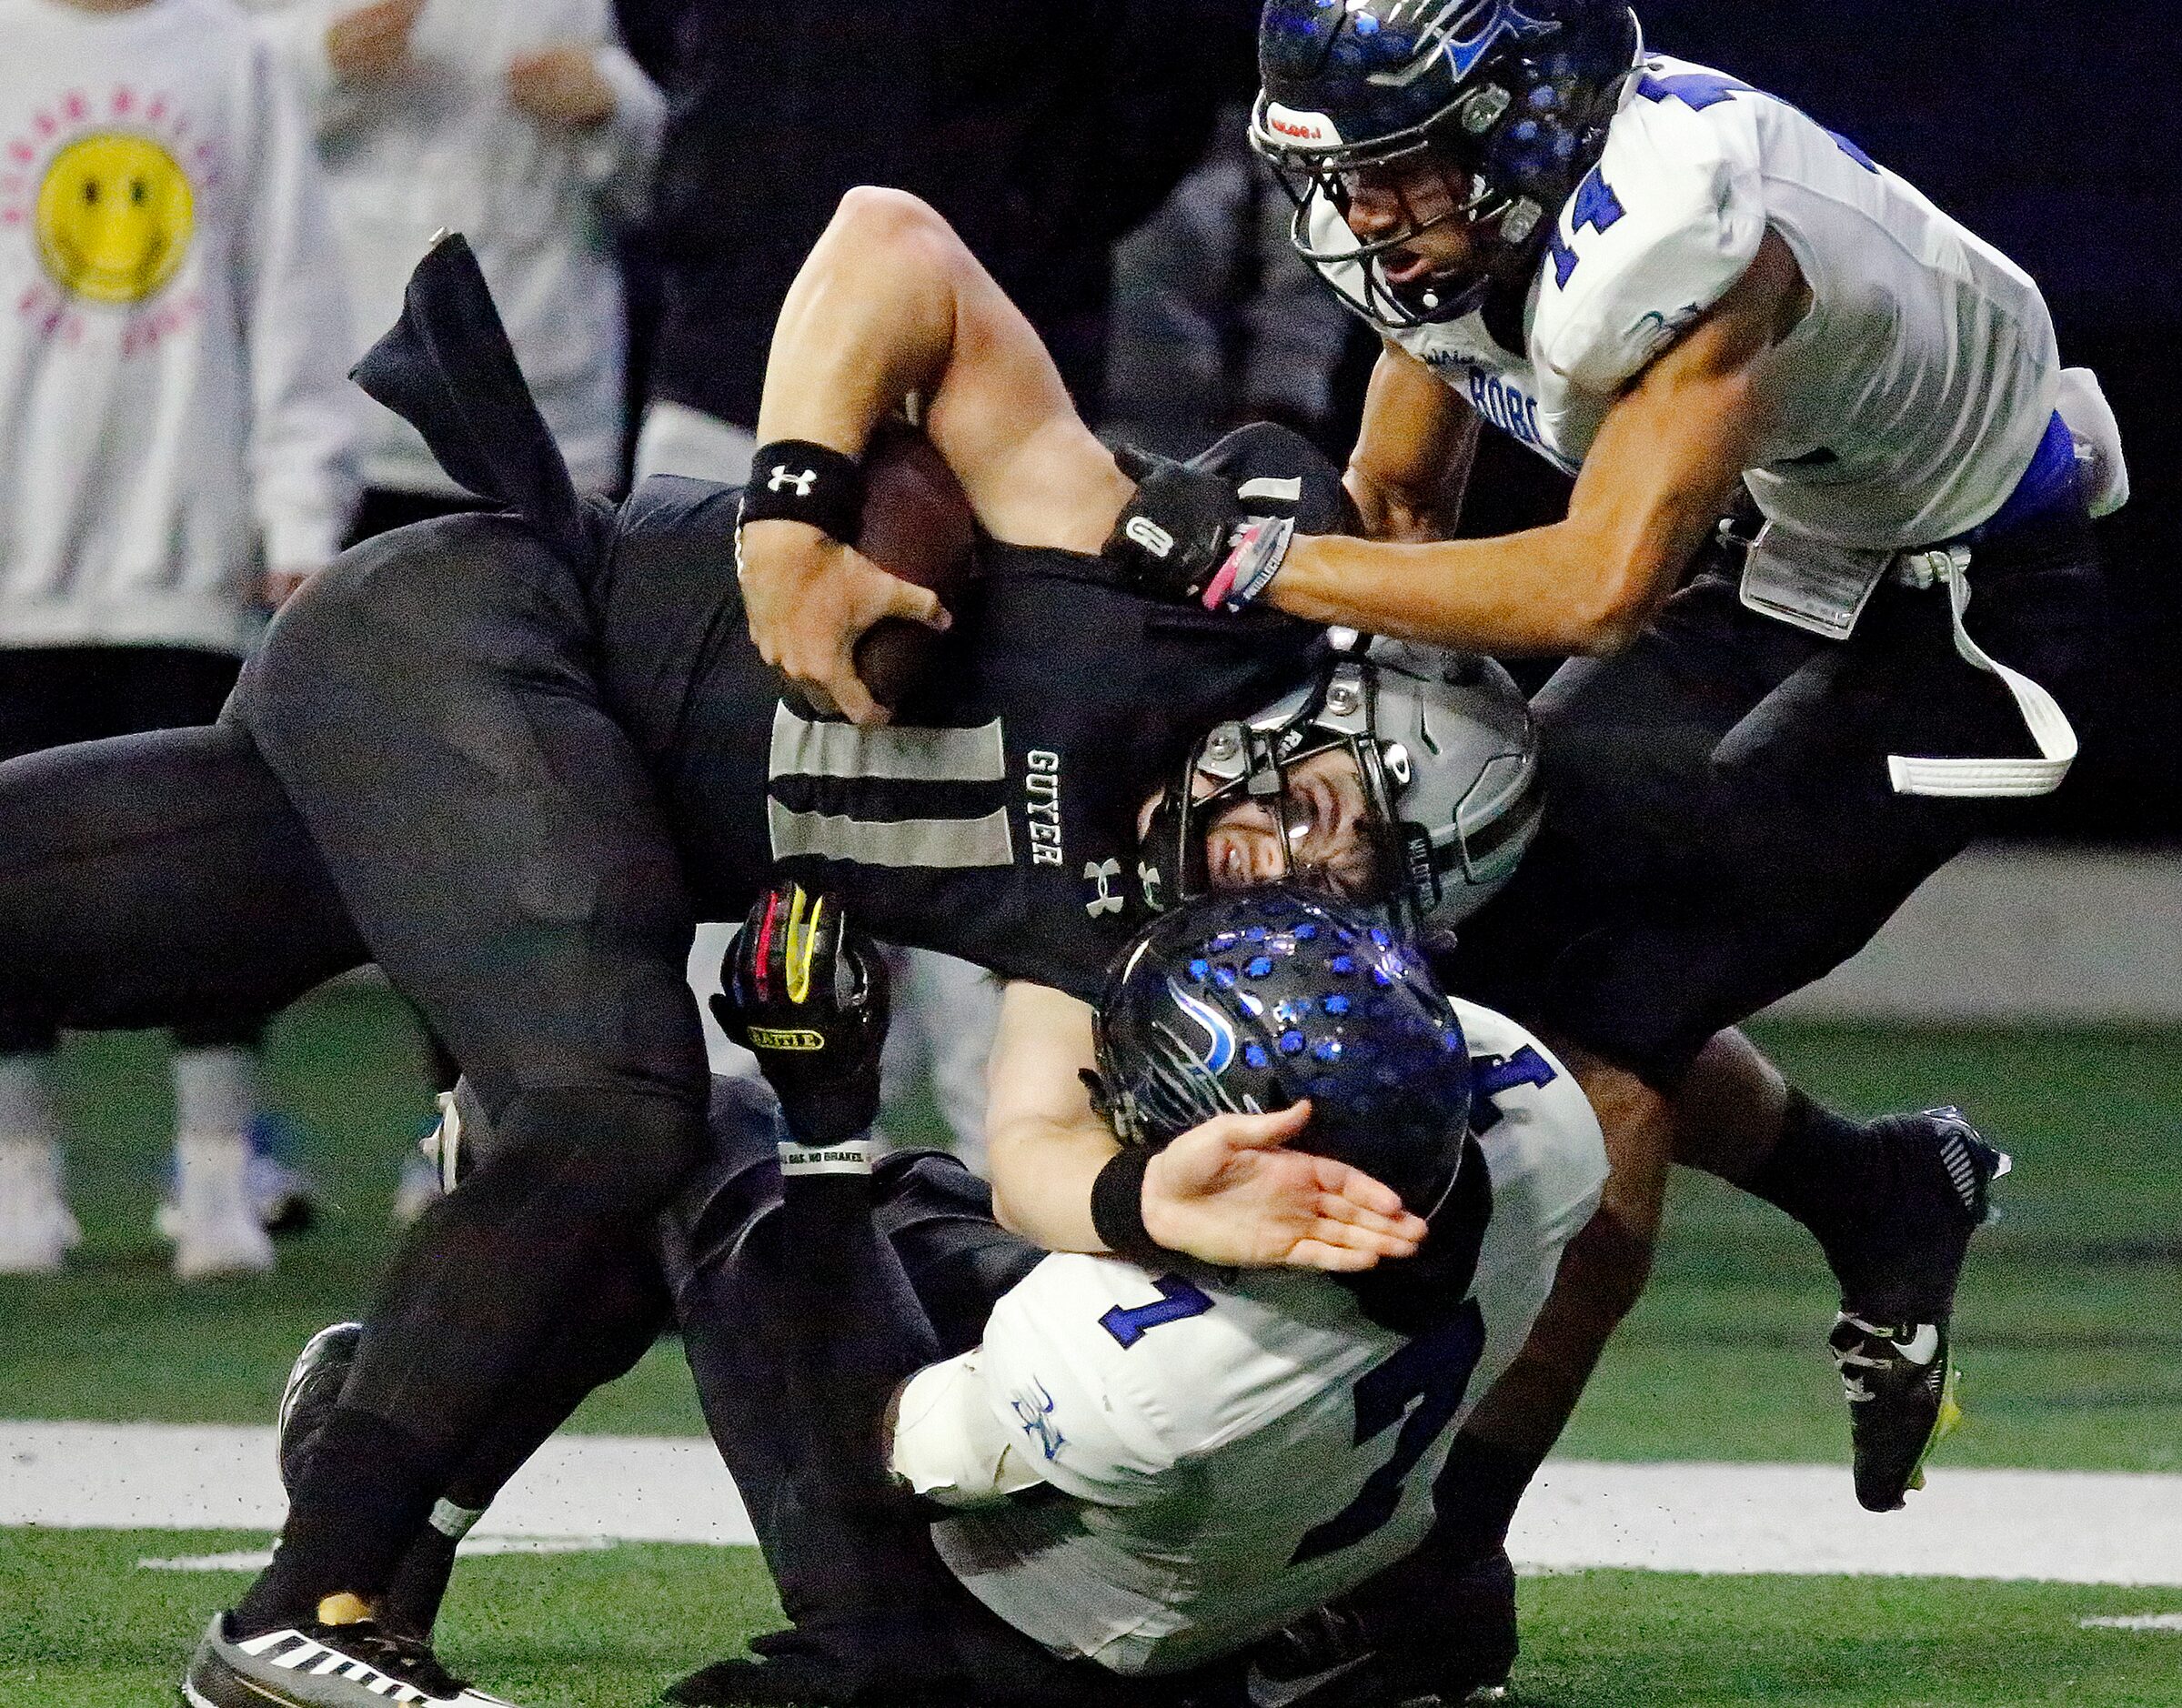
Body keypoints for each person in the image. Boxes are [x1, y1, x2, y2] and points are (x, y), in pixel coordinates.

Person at [0, 233, 1531, 1704]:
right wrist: (790, 518)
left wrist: (1144, 1196)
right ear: (1332, 710)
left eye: (1341, 893)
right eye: (1323, 816)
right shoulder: (1152, 598)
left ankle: (374, 1458)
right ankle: (306, 1610)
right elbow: (889, 246)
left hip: (480, 761)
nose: (1276, 870)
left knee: (566, 1152)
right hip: (487, 627)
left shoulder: (1133, 932)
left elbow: (1033, 1143)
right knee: (609, 1107)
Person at [253, 880, 1605, 1708]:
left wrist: (824, 1113)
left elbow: (860, 1443)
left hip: (1014, 1632)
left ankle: (368, 1547)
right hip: (1269, 1554)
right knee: (920, 1210)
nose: (1102, 1092)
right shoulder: (1527, 1110)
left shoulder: (1137, 1366)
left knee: (673, 1144)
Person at [0, 0, 360, 1278]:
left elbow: (297, 299)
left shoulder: (235, 59)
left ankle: (216, 1180)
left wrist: (301, 509)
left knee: (209, 868)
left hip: (187, 543)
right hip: (18, 557)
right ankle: (20, 1185)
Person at [247, 0, 663, 528]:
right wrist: (322, 55)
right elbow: (200, 83)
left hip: (551, 425)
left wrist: (609, 106)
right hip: (351, 426)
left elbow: (686, 181)